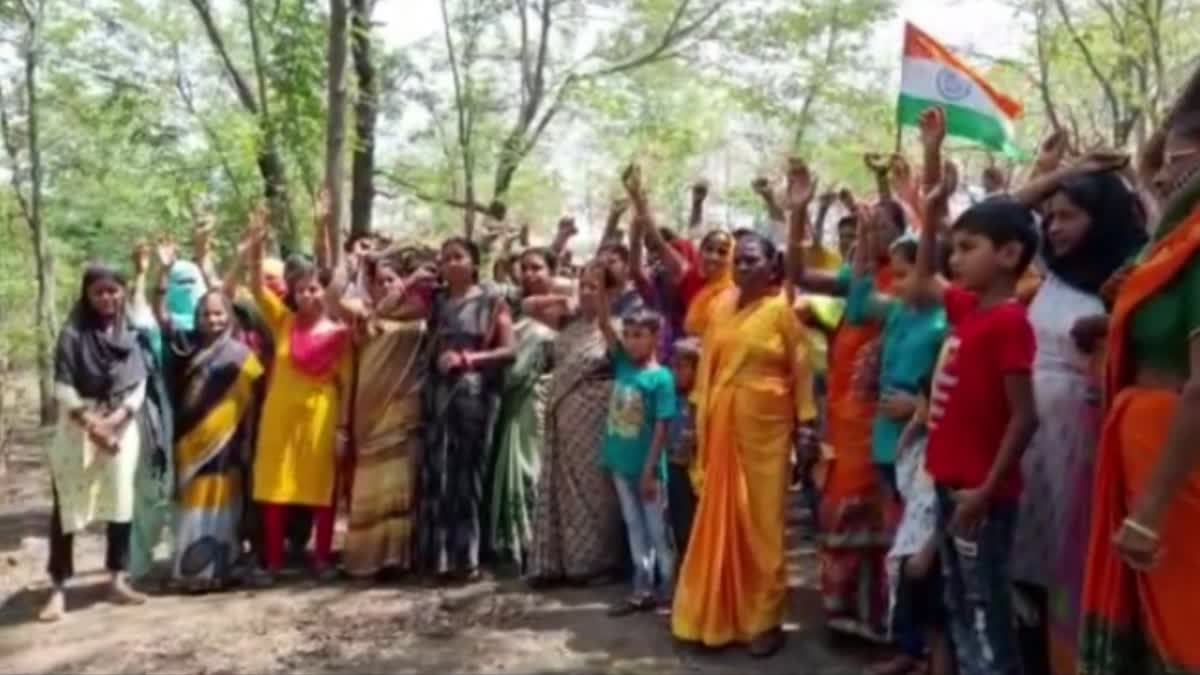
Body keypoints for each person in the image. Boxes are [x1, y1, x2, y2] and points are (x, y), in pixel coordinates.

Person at [1079, 68, 1200, 675]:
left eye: (1174, 160)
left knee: (1181, 637)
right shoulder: (1170, 249)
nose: (1159, 176)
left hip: (1176, 472)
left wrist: (1149, 511)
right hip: (1148, 451)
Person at [1009, 153, 1147, 674]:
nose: (1054, 226)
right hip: (1030, 446)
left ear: (1106, 218)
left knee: (1077, 577)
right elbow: (993, 219)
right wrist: (1062, 177)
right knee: (1025, 580)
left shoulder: (1133, 276)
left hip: (1090, 452)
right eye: (1052, 215)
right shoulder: (1047, 272)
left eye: (1069, 215)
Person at [915, 107, 1039, 675]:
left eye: (968, 248)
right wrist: (933, 172)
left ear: (1010, 254)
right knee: (961, 607)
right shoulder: (968, 309)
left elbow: (1024, 417)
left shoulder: (1010, 322)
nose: (955, 258)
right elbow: (922, 278)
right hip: (951, 486)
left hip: (980, 498)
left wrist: (987, 490)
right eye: (956, 248)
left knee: (988, 614)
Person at [672, 187, 818, 658]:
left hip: (766, 433)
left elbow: (801, 374)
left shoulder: (783, 312)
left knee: (762, 525)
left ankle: (765, 620)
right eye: (740, 259)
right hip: (718, 427)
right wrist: (693, 423)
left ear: (772, 268)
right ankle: (714, 614)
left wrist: (808, 429)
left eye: (753, 260)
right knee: (718, 522)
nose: (743, 266)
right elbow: (707, 370)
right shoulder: (718, 307)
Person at [797, 159, 904, 642]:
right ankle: (846, 615)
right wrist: (797, 212)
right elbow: (800, 274)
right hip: (842, 415)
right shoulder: (855, 278)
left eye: (883, 227)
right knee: (838, 508)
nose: (872, 233)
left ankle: (883, 621)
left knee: (883, 517)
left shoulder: (908, 284)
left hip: (885, 420)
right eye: (868, 225)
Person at [39, 264, 156, 621]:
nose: (107, 298)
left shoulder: (130, 332)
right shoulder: (73, 334)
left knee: (120, 501)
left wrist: (117, 420)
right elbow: (62, 384)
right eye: (99, 292)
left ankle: (117, 579)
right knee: (68, 506)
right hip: (78, 426)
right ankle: (58, 586)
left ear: (122, 292)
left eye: (113, 291)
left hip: (121, 425)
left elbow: (139, 382)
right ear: (87, 296)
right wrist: (91, 423)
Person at [245, 212, 352, 583]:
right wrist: (257, 245)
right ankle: (273, 563)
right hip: (279, 417)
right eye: (302, 289)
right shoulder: (283, 322)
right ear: (292, 293)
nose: (309, 294)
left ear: (325, 291)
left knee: (320, 487)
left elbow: (347, 383)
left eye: (315, 288)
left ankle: (321, 559)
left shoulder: (341, 334)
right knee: (276, 486)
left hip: (321, 417)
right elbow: (257, 288)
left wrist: (342, 429)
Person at [418, 237, 515, 581]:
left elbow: (509, 352)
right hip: (438, 395)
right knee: (438, 472)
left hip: (473, 396)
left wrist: (467, 359)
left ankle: (468, 558)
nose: (451, 263)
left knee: (467, 473)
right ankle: (439, 559)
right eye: (445, 259)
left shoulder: (493, 302)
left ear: (474, 263)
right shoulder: (438, 302)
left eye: (458, 257)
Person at [526, 263, 626, 585]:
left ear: (611, 293)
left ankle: (597, 564)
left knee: (596, 492)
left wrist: (605, 312)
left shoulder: (619, 326)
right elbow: (527, 305)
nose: (585, 293)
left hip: (596, 419)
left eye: (594, 287)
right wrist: (566, 291)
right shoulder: (568, 324)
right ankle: (564, 563)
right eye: (582, 286)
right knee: (565, 492)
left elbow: (621, 358)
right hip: (564, 418)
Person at [338, 250, 434, 579]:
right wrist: (356, 262)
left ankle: (397, 556)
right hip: (370, 411)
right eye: (380, 282)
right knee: (371, 481)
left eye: (392, 279)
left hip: (405, 407)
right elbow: (336, 298)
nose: (387, 286)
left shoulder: (421, 317)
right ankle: (368, 556)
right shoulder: (366, 316)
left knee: (400, 480)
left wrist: (407, 284)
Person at [163, 290, 264, 591]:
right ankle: (192, 571)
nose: (213, 320)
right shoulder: (186, 348)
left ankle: (222, 566)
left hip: (227, 442)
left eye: (219, 313)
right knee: (194, 503)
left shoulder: (242, 355)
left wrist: (248, 438)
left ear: (230, 317)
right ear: (197, 318)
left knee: (223, 501)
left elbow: (254, 401)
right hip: (191, 442)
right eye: (206, 314)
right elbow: (162, 322)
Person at [845, 223, 947, 497]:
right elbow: (856, 308)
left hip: (925, 436)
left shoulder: (946, 320)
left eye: (902, 275)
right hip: (887, 437)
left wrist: (918, 408)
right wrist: (864, 239)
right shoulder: (898, 310)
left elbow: (960, 385)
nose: (895, 284)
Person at [594, 299, 677, 615]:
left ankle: (668, 588)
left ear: (656, 337)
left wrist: (650, 469)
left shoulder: (661, 378)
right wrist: (604, 286)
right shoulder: (623, 365)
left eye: (639, 334)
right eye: (627, 334)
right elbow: (604, 324)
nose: (631, 340)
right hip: (620, 464)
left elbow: (662, 424)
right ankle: (642, 587)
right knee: (634, 526)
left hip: (648, 468)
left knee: (657, 529)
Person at [488, 247, 559, 571]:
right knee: (506, 467)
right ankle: (508, 546)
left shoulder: (562, 308)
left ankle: (537, 547)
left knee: (532, 469)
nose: (530, 274)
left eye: (538, 267)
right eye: (525, 268)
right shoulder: (511, 310)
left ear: (551, 270)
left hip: (536, 399)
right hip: (508, 399)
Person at [665, 337, 700, 562]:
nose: (675, 372)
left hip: (698, 469)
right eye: (673, 366)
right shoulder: (669, 396)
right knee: (680, 522)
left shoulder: (703, 400)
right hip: (674, 466)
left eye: (682, 367)